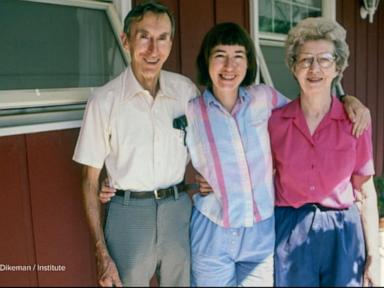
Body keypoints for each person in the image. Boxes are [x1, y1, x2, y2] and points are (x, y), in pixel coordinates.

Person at [184, 22, 371, 287]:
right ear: (206, 61)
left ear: (249, 63)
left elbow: (312, 106)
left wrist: (348, 100)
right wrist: (194, 180)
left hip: (260, 231)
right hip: (214, 226)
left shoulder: (265, 99)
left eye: (238, 56)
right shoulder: (190, 108)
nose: (229, 66)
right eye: (220, 56)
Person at [72, 1, 200, 286]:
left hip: (178, 211)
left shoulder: (185, 92)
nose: (154, 50)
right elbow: (89, 180)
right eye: (144, 37)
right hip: (128, 215)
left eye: (162, 38)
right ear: (125, 40)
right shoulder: (104, 101)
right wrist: (101, 254)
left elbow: (204, 150)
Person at [268, 17, 380, 287]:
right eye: (305, 59)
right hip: (291, 230)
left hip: (342, 232)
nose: (314, 68)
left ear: (337, 67)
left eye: (325, 59)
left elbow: (365, 192)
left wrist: (374, 258)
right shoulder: (275, 121)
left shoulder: (356, 121)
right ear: (294, 67)